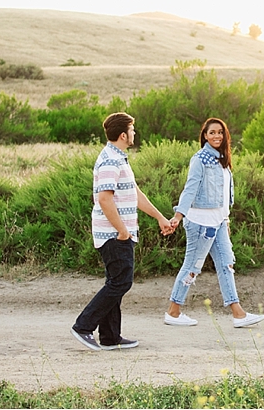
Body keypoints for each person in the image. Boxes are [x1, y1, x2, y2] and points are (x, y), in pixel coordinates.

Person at [71, 112, 173, 351]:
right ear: (123, 134)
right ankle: (83, 326)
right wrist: (122, 231)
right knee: (121, 282)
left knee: (116, 281)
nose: (134, 134)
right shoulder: (109, 160)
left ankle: (110, 337)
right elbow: (104, 199)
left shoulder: (119, 158)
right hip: (114, 234)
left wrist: (159, 217)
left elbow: (135, 194)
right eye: (132, 130)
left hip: (120, 232)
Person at [164, 118, 264, 328]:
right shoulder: (200, 159)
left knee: (226, 264)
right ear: (205, 135)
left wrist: (225, 219)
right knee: (192, 266)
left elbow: (222, 195)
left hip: (218, 222)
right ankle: (173, 312)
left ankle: (238, 314)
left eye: (220, 132)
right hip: (200, 222)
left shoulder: (223, 159)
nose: (216, 136)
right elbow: (190, 189)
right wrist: (178, 216)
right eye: (212, 133)